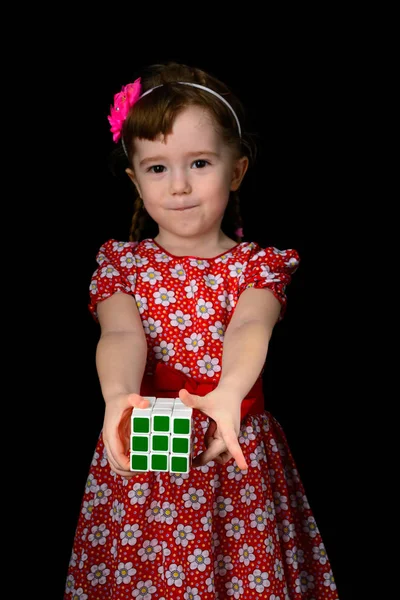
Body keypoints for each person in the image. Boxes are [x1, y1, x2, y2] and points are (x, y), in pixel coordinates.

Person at [65, 62, 339, 599]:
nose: (181, 185)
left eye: (200, 162)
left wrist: (229, 393)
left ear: (236, 170)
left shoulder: (259, 266)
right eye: (158, 168)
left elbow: (250, 329)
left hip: (233, 457)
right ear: (134, 178)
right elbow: (121, 336)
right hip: (143, 460)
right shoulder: (122, 265)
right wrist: (118, 396)